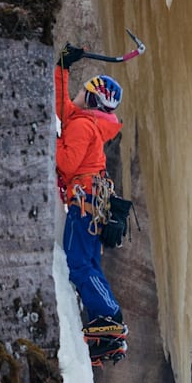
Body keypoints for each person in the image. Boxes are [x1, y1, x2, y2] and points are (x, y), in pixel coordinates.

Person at [54, 43, 127, 364]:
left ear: (93, 98)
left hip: (83, 202)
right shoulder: (86, 121)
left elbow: (67, 164)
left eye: (84, 92)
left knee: (79, 263)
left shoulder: (84, 126)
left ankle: (109, 315)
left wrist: (44, 142)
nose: (79, 95)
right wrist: (62, 67)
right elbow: (62, 108)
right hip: (91, 203)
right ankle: (105, 326)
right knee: (88, 263)